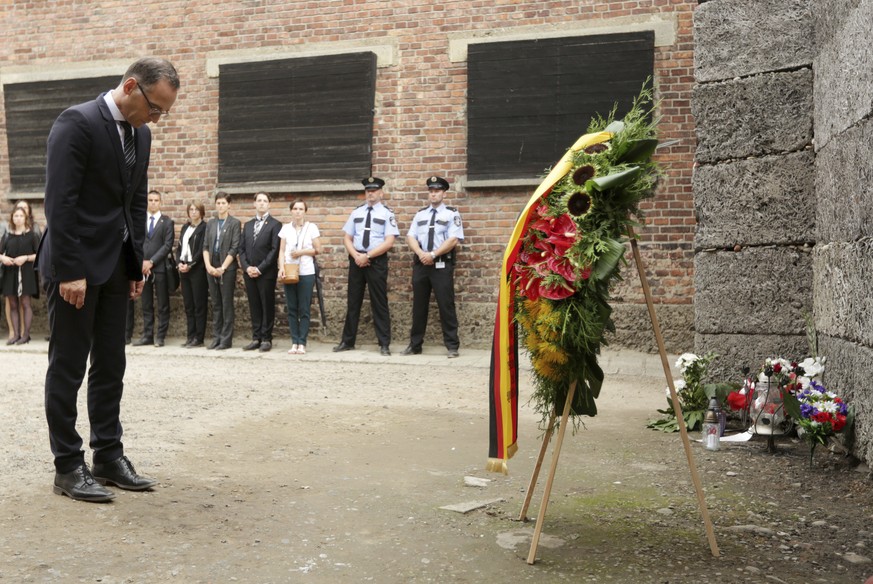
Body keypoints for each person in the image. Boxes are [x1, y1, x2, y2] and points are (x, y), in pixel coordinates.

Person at [38, 57, 179, 502]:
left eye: (163, 113)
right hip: (76, 267)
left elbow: (135, 204)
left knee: (111, 365)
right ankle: (67, 465)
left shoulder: (142, 134)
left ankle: (108, 456)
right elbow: (60, 203)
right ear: (131, 86)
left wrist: (134, 264)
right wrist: (70, 271)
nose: (157, 118)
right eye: (154, 107)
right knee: (68, 366)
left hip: (116, 267)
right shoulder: (76, 123)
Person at [333, 177, 399, 356]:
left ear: (381, 193)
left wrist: (367, 256)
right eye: (368, 190)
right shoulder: (356, 212)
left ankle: (384, 343)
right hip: (357, 260)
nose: (371, 193)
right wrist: (356, 256)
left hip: (376, 262)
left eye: (374, 190)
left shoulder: (387, 213)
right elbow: (347, 238)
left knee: (379, 302)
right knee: (353, 302)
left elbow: (389, 241)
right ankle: (348, 341)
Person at [401, 176, 464, 358]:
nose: (433, 194)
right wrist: (421, 254)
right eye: (431, 191)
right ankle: (415, 345)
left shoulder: (452, 214)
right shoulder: (420, 214)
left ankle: (452, 346)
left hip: (441, 264)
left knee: (446, 305)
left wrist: (433, 254)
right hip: (421, 263)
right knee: (419, 306)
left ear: (444, 193)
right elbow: (410, 237)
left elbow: (453, 239)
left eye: (437, 191)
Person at [278, 199, 322, 355]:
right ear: (291, 211)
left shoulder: (312, 228)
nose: (297, 211)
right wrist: (281, 268)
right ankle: (294, 342)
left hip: (306, 271)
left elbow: (317, 249)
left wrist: (301, 252)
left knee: (304, 308)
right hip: (290, 271)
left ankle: (302, 342)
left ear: (305, 211)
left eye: (301, 209)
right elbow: (282, 251)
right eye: (295, 208)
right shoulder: (285, 229)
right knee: (291, 308)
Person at [131, 189, 174, 347]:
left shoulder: (167, 222)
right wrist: (142, 262)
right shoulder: (140, 220)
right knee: (146, 302)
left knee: (162, 303)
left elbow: (167, 245)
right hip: (142, 268)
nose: (153, 203)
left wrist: (152, 261)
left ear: (160, 202)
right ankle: (147, 335)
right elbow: (136, 241)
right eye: (150, 200)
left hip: (160, 267)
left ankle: (160, 336)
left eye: (156, 200)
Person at [238, 192, 281, 352]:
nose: (262, 203)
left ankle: (266, 338)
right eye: (259, 201)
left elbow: (274, 250)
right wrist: (247, 267)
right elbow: (241, 249)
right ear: (254, 204)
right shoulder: (248, 225)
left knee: (266, 304)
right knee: (254, 305)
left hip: (266, 273)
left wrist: (260, 268)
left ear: (269, 204)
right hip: (249, 272)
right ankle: (255, 337)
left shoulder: (275, 225)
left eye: (265, 201)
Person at [203, 191, 240, 350]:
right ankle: (216, 337)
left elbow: (234, 248)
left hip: (227, 266)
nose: (220, 206)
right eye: (218, 203)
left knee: (226, 303)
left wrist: (223, 268)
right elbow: (205, 246)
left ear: (229, 205)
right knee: (216, 303)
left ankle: (226, 339)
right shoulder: (211, 223)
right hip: (211, 265)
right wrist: (209, 266)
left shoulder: (234, 223)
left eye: (224, 203)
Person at [0, 207, 40, 344]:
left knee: (25, 303)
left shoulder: (32, 235)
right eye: (15, 216)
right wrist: (3, 259)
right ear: (12, 218)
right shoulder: (7, 236)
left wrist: (25, 258)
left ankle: (26, 335)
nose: (18, 218)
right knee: (12, 304)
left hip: (26, 273)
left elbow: (39, 255)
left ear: (25, 218)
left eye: (21, 216)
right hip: (10, 272)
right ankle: (16, 335)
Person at [177, 200, 208, 348]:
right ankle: (190, 336)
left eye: (196, 209)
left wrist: (190, 265)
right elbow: (179, 248)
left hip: (197, 270)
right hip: (183, 269)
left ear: (201, 212)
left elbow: (202, 250)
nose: (193, 212)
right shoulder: (185, 227)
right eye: (191, 209)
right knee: (188, 304)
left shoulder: (204, 228)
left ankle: (199, 337)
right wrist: (179, 263)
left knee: (199, 304)